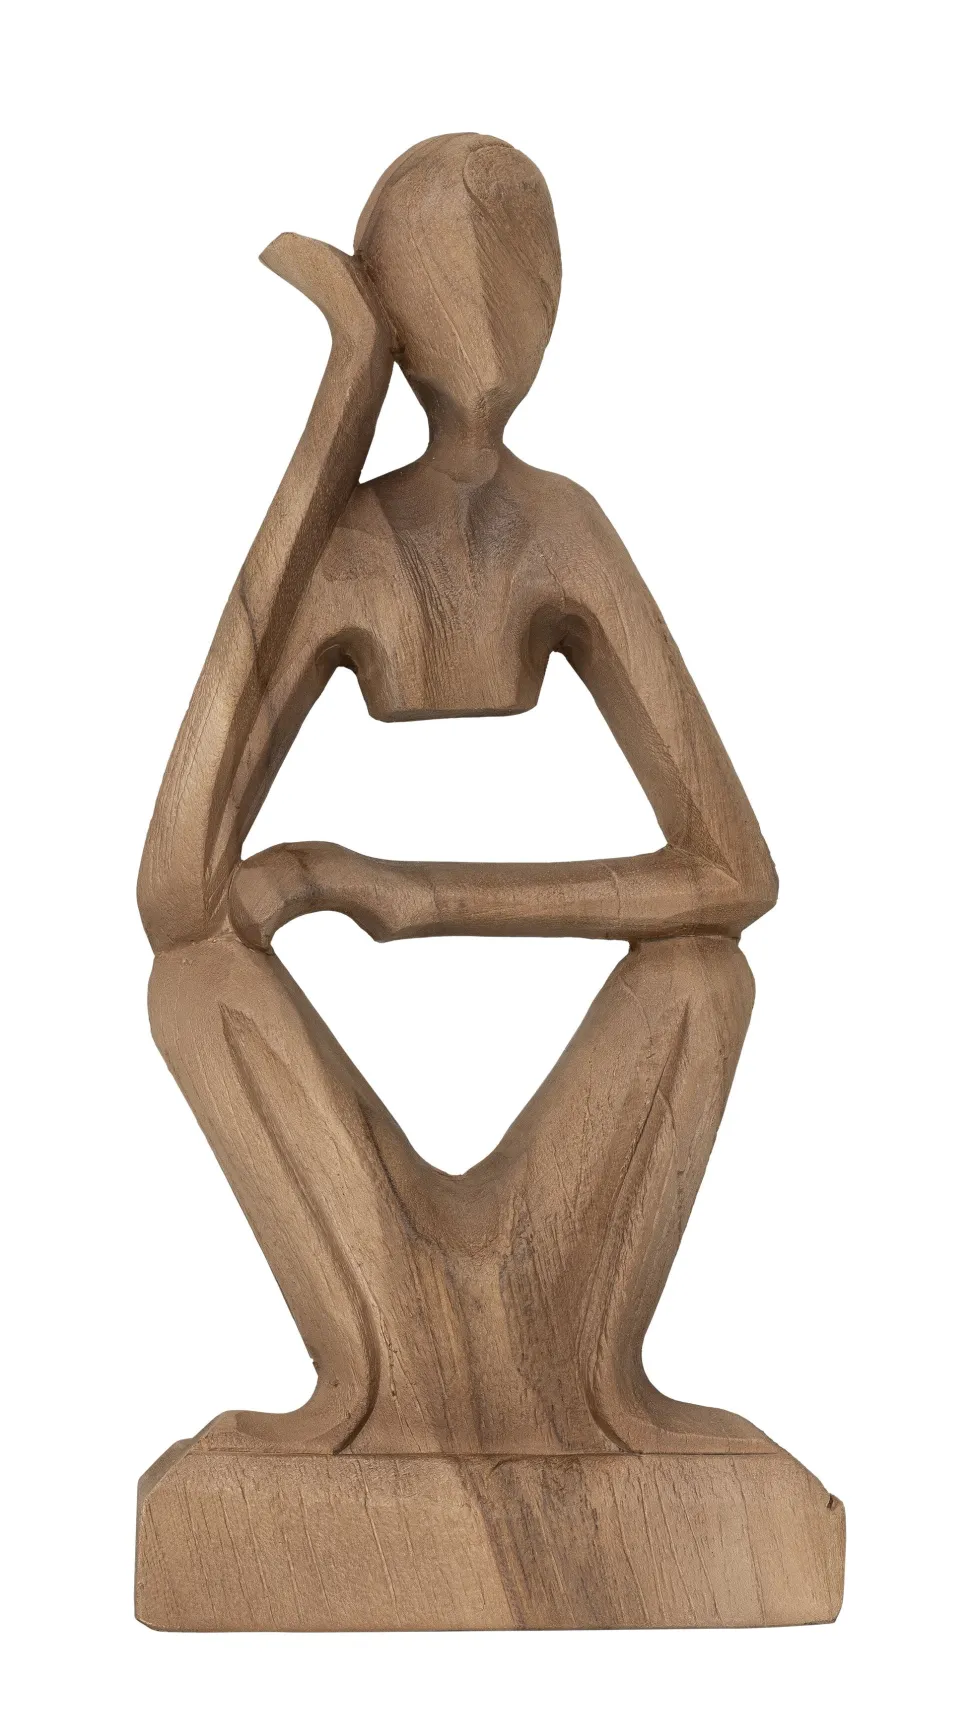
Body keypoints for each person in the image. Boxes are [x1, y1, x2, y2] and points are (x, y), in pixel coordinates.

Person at [139, 134, 779, 1459]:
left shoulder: (564, 533)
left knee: (703, 974)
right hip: (340, 479)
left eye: (514, 263)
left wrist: (410, 892)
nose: (486, 310)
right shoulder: (349, 550)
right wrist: (339, 404)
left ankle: (581, 1382)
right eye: (444, 275)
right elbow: (175, 894)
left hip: (556, 1227)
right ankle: (372, 1381)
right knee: (195, 979)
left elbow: (736, 874)